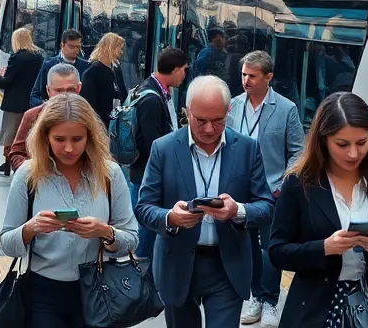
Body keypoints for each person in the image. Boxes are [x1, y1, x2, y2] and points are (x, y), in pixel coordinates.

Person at [135, 75, 275, 328]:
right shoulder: (163, 148)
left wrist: (238, 211)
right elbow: (144, 208)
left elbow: (266, 206)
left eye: (218, 121)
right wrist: (171, 217)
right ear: (187, 112)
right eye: (201, 121)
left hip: (227, 265)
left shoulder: (247, 148)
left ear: (228, 112)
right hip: (177, 264)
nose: (209, 129)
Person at [269, 92, 368, 328]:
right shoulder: (300, 183)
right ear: (323, 140)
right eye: (342, 144)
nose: (353, 153)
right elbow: (277, 251)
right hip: (315, 307)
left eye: (362, 143)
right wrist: (324, 248)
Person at [0, 93, 139, 328]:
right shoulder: (28, 174)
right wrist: (31, 228)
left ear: (90, 137)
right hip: (42, 293)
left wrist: (105, 232)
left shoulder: (109, 174)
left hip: (97, 291)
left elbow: (132, 239)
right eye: (59, 139)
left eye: (77, 139)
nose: (69, 148)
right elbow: (6, 242)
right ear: (45, 137)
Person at [227, 50, 304, 328]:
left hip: (271, 190)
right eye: (244, 74)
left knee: (271, 247)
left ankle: (270, 300)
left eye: (252, 75)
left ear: (268, 77)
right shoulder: (233, 105)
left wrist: (282, 185)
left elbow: (298, 152)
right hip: (238, 188)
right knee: (244, 247)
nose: (246, 80)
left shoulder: (286, 109)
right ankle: (253, 296)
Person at [129, 46, 188, 267]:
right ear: (174, 70)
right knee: (146, 234)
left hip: (142, 172)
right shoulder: (152, 99)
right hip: (145, 175)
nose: (184, 75)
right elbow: (153, 145)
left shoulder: (151, 89)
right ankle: (143, 283)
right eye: (183, 70)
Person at [8, 64, 82, 172]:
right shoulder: (32, 116)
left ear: (79, 88)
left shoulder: (88, 116)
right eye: (59, 91)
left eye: (70, 90)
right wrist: (36, 173)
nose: (65, 96)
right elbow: (16, 154)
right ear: (48, 90)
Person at [0, 26, 41, 176]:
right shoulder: (38, 56)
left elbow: (7, 81)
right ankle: (28, 161)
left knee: (10, 134)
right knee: (28, 133)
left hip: (14, 103)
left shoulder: (17, 57)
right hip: (32, 103)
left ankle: (8, 163)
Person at [29, 29, 90, 107]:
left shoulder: (86, 66)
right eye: (72, 47)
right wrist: (46, 106)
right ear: (62, 45)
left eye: (78, 47)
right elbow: (34, 96)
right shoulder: (48, 65)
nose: (76, 50)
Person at [82, 32, 125, 125]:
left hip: (114, 120)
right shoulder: (92, 72)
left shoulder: (116, 68)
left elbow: (121, 90)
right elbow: (89, 103)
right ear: (111, 48)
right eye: (120, 49)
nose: (121, 52)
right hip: (100, 123)